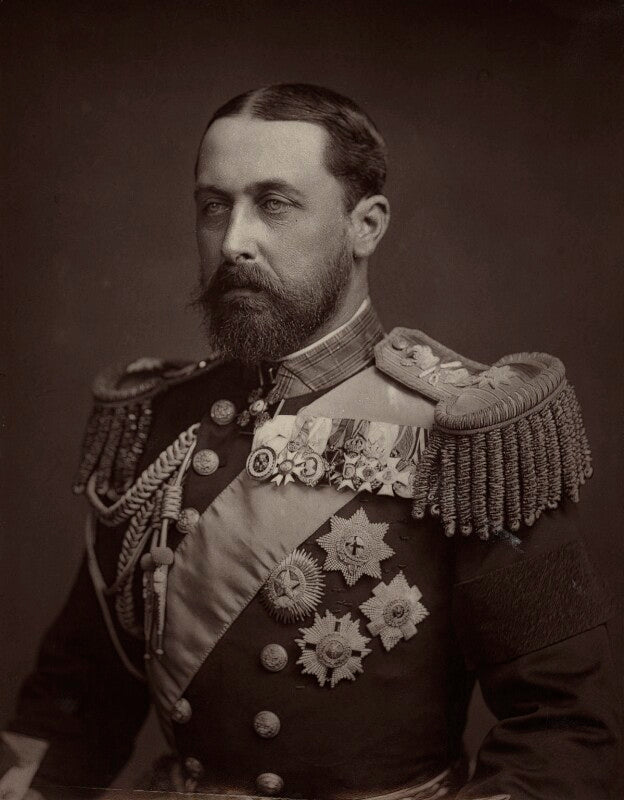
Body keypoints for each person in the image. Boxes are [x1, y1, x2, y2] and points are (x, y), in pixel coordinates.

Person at [1, 84, 618, 800]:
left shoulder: (476, 436)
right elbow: (75, 706)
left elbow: (564, 730)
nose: (234, 241)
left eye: (274, 204)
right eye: (213, 206)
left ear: (366, 226)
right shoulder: (156, 420)